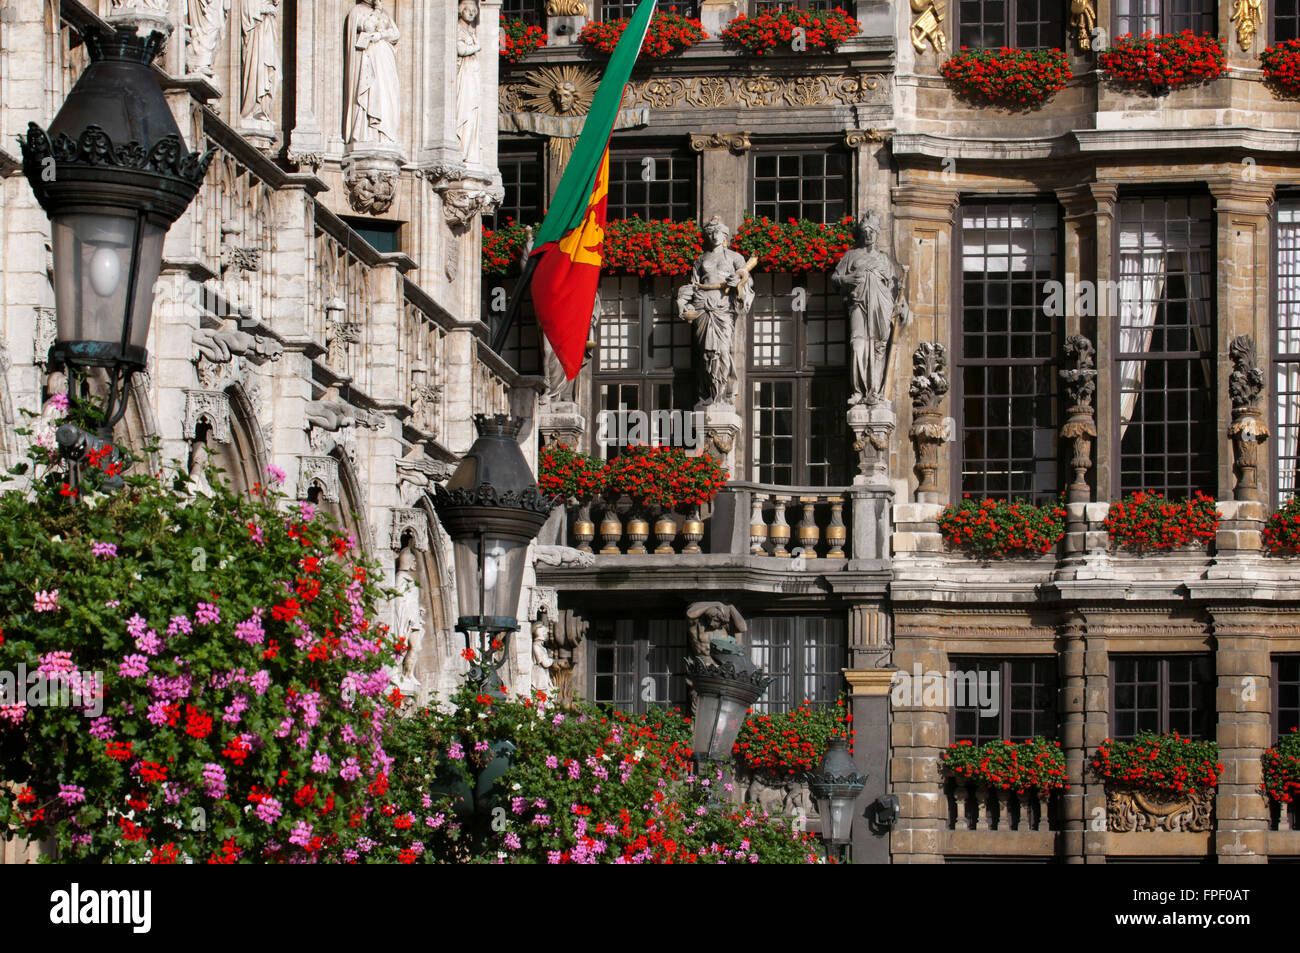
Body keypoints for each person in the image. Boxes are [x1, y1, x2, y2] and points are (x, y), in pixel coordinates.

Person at [830, 211, 908, 404]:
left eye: (872, 230)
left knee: (879, 345)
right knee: (857, 345)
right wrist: (848, 278)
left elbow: (894, 288)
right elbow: (835, 278)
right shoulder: (851, 256)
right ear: (861, 233)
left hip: (882, 304)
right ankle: (859, 391)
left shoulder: (884, 259)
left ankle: (876, 390)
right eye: (865, 230)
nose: (869, 234)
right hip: (858, 303)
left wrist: (903, 305)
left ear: (877, 233)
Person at [675, 219, 755, 406]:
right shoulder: (700, 260)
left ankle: (724, 393)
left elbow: (746, 281)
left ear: (725, 235)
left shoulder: (735, 258)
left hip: (723, 307)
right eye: (710, 232)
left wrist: (739, 284)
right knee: (705, 353)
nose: (714, 235)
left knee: (723, 350)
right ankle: (709, 394)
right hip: (703, 306)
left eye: (717, 232)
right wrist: (685, 304)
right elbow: (694, 286)